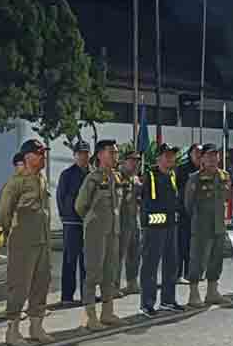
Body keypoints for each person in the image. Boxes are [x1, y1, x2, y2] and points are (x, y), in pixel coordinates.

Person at [0, 139, 55, 344]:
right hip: (23, 242)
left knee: (41, 283)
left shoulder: (41, 179)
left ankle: (36, 327)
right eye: (39, 154)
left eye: (44, 154)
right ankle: (12, 331)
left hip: (42, 240)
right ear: (28, 157)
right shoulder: (16, 182)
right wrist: (10, 233)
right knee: (19, 286)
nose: (43, 158)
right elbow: (4, 212)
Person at [74, 139, 125, 330]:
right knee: (93, 272)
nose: (115, 156)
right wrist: (92, 221)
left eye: (116, 152)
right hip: (96, 231)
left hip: (113, 230)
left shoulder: (117, 178)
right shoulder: (92, 179)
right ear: (100, 155)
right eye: (111, 152)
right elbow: (80, 206)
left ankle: (107, 312)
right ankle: (90, 316)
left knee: (109, 272)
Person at [183, 143, 233, 308]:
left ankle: (212, 292)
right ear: (202, 158)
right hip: (201, 225)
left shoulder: (225, 176)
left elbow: (227, 199)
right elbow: (188, 204)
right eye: (209, 155)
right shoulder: (195, 178)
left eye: (215, 155)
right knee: (197, 259)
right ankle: (194, 294)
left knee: (216, 259)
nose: (212, 158)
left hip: (219, 224)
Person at [140, 144, 185, 316]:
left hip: (170, 228)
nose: (170, 159)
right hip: (154, 229)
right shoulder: (150, 175)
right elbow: (148, 203)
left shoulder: (172, 175)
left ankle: (168, 300)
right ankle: (147, 303)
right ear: (158, 158)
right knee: (150, 267)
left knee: (171, 265)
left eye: (172, 156)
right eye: (167, 156)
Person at [57, 140, 90, 305]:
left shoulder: (93, 174)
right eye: (80, 153)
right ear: (74, 155)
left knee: (87, 260)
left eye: (86, 153)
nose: (83, 156)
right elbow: (60, 197)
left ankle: (86, 295)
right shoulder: (67, 174)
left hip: (89, 223)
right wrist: (65, 216)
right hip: (72, 223)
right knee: (70, 259)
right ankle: (67, 297)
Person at [117, 145, 142, 296]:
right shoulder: (117, 177)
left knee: (134, 253)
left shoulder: (136, 178)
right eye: (132, 160)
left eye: (137, 161)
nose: (135, 163)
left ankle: (132, 283)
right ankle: (114, 285)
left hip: (134, 220)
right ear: (124, 162)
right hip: (121, 221)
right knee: (118, 255)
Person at [177, 144, 202, 281]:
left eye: (201, 152)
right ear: (190, 154)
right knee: (183, 244)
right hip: (184, 213)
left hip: (200, 214)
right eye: (196, 152)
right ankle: (179, 274)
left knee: (196, 246)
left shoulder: (204, 169)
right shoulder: (182, 169)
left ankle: (191, 272)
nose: (199, 155)